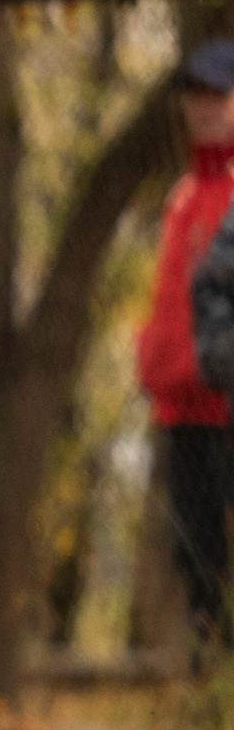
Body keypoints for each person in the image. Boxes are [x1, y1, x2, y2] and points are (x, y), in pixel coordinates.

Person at [149, 40, 234, 657]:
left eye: (217, 95)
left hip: (224, 406)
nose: (202, 108)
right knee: (196, 561)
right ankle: (211, 682)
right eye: (195, 95)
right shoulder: (181, 195)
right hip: (179, 409)